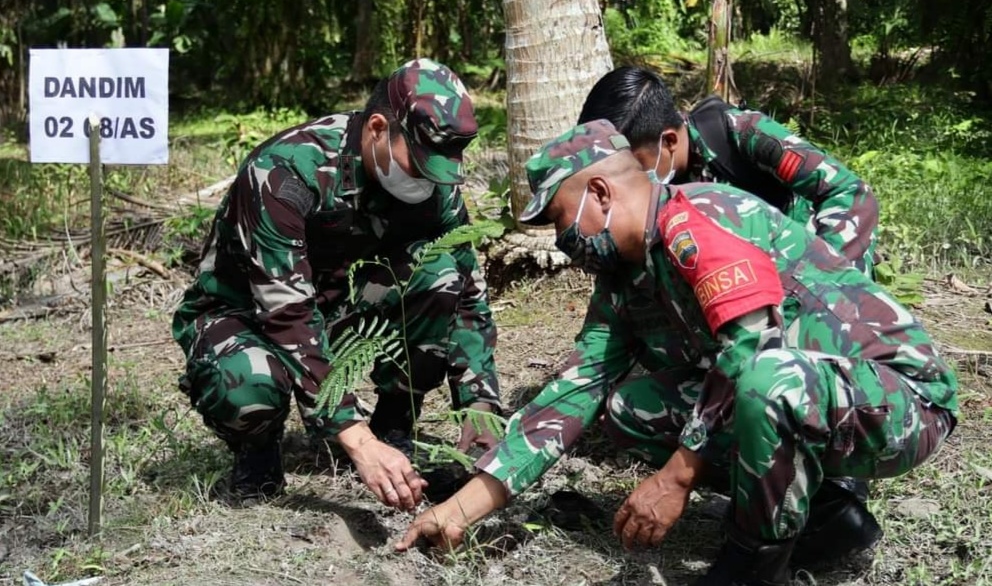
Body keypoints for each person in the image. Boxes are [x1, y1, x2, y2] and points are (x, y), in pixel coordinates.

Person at [397, 120, 958, 586]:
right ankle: (822, 513)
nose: (563, 241)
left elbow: (753, 342)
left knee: (764, 379)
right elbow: (571, 394)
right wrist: (459, 511)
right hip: (803, 397)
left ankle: (754, 564)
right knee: (630, 407)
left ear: (599, 194)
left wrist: (675, 478)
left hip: (898, 401)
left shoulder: (698, 219)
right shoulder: (623, 280)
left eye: (562, 221)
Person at [172, 59, 501, 509]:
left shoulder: (435, 179)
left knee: (438, 276)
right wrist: (355, 438)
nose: (432, 180)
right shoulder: (286, 171)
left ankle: (394, 427)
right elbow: (286, 314)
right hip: (247, 315)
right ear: (378, 129)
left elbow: (466, 290)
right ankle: (258, 450)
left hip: (341, 308)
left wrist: (480, 405)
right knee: (248, 385)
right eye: (420, 164)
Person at [578, 66, 879, 278]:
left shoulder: (743, 135)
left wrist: (830, 280)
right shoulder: (645, 194)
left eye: (632, 164)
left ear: (668, 141)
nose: (624, 178)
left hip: (799, 269)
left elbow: (849, 192)